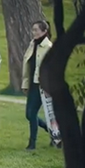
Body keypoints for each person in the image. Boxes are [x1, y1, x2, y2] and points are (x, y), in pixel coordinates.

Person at [22, 20, 55, 150]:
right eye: (33, 29)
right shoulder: (33, 44)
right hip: (32, 83)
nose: (33, 32)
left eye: (36, 30)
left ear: (44, 31)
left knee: (32, 113)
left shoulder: (48, 47)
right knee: (29, 114)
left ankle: (32, 143)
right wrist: (25, 84)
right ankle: (53, 133)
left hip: (42, 85)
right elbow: (27, 65)